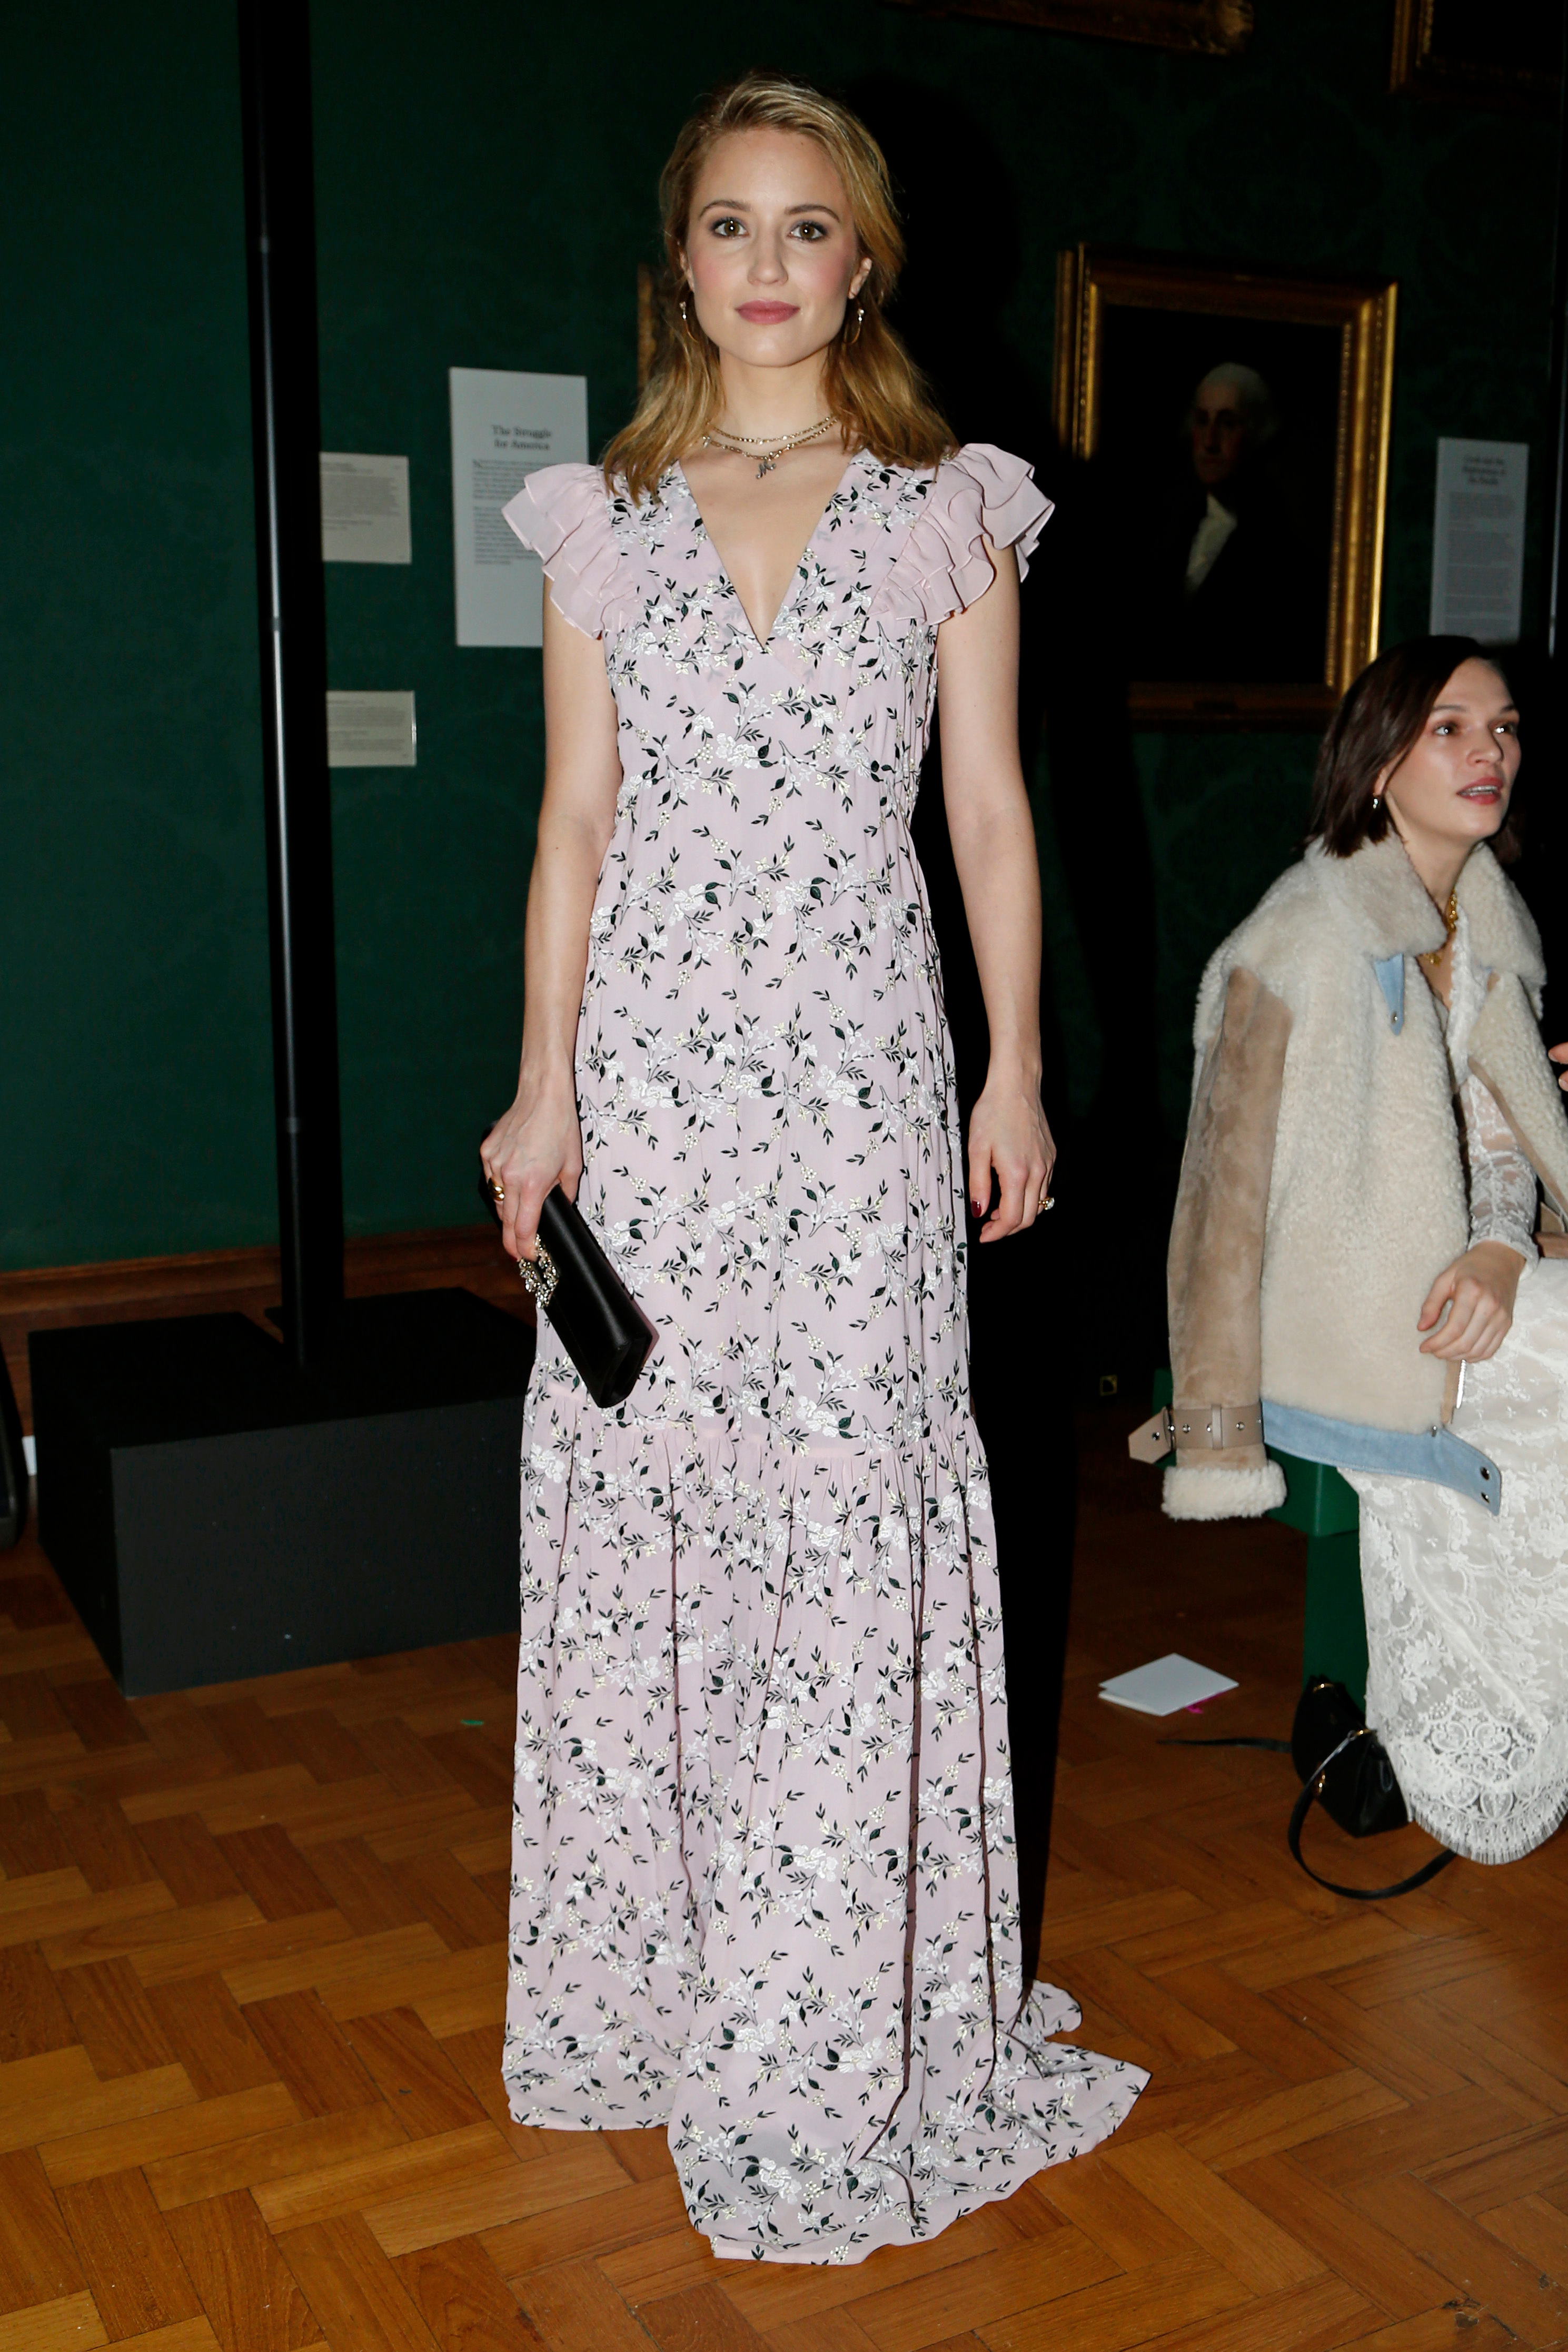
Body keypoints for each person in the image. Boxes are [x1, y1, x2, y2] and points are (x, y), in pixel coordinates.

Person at [479, 71, 1144, 2264]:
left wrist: (1015, 1069)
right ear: (679, 262)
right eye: (728, 224)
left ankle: (824, 2023)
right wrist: (540, 1087)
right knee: (652, 1514)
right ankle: (657, 1984)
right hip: (654, 1090)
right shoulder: (604, 519)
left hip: (862, 1086)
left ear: (862, 264)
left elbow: (990, 815)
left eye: (806, 226)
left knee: (849, 1520)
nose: (764, 263)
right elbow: (573, 822)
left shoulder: (947, 512)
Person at [1154, 635, 1568, 1863]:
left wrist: (1500, 1251)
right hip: (1342, 1314)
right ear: (1377, 762)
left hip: (1461, 1283)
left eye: (1502, 728)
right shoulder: (1297, 939)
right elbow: (1216, 1205)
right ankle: (1466, 1736)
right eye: (1449, 728)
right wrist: (1216, 1432)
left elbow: (1499, 1145)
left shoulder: (1484, 923)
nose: (1489, 751)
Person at [1137, 362, 1323, 683]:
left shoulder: (1283, 554)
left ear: (1257, 435)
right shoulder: (1171, 535)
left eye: (1228, 424)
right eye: (1202, 421)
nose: (1210, 441)